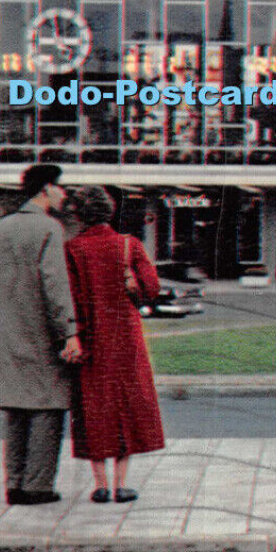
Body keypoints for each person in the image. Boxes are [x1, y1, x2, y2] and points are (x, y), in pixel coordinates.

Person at [61, 186, 166, 504]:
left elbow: (71, 298)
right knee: (128, 406)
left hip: (92, 337)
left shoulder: (73, 249)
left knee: (95, 408)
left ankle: (100, 485)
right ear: (109, 211)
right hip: (126, 338)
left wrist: (73, 335)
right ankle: (122, 485)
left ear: (78, 215)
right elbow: (152, 288)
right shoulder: (128, 245)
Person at [0, 163, 82, 506]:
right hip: (40, 333)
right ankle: (38, 486)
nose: (64, 194)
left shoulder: (3, 228)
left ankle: (13, 484)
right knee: (48, 408)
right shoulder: (49, 228)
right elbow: (54, 285)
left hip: (8, 333)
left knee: (16, 411)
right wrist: (69, 331)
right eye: (60, 188)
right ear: (45, 189)